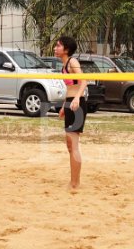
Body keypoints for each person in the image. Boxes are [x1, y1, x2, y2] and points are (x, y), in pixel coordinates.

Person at [54, 36, 87, 190]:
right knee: (69, 145)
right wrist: (63, 106)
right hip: (70, 103)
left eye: (58, 45)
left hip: (77, 105)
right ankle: (74, 181)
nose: (55, 48)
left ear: (66, 49)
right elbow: (70, 88)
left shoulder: (72, 62)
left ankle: (75, 183)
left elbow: (83, 81)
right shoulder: (64, 64)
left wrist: (77, 99)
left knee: (73, 145)